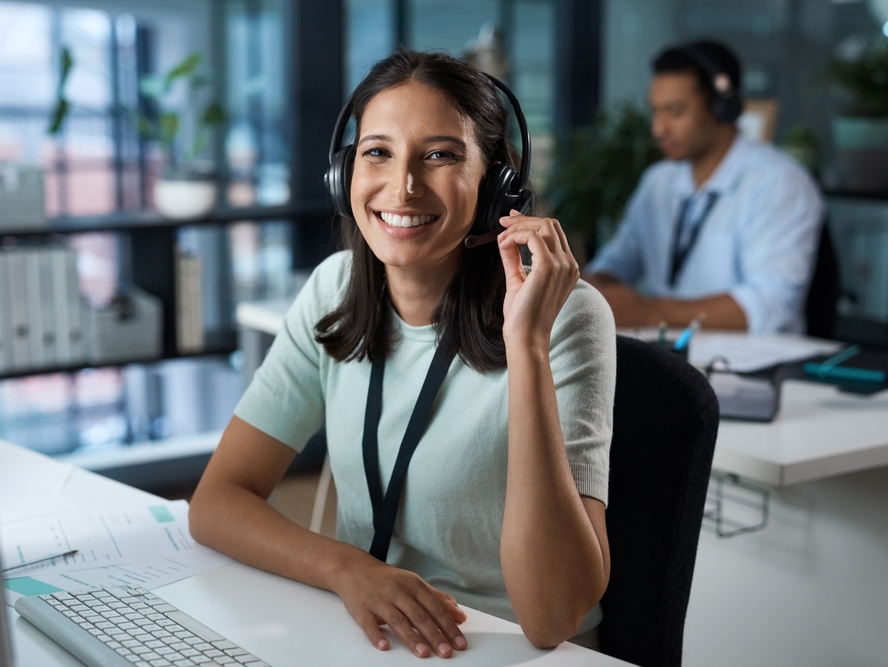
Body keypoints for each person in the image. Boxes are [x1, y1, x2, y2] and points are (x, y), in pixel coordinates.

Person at [188, 50, 615, 658]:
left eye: (440, 155)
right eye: (378, 152)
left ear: (496, 185)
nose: (404, 186)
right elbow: (216, 502)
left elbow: (551, 619)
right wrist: (347, 569)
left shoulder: (568, 317)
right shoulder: (335, 289)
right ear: (345, 175)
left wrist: (527, 347)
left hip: (508, 646)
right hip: (376, 633)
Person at [586, 41, 823, 334]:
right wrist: (589, 286)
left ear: (722, 108)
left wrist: (648, 312)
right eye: (655, 112)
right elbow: (617, 263)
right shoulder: (658, 181)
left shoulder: (780, 183)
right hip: (669, 358)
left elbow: (768, 306)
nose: (658, 129)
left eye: (674, 112)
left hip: (749, 369)